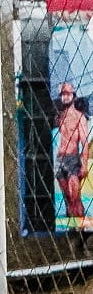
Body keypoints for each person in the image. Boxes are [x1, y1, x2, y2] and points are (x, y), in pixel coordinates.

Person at [58, 81, 88, 221]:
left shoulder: (79, 117)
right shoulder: (60, 116)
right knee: (67, 199)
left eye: (68, 94)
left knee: (75, 197)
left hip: (72, 158)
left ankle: (82, 228)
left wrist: (84, 164)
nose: (65, 97)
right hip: (60, 159)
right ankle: (71, 228)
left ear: (73, 96)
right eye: (63, 94)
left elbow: (85, 142)